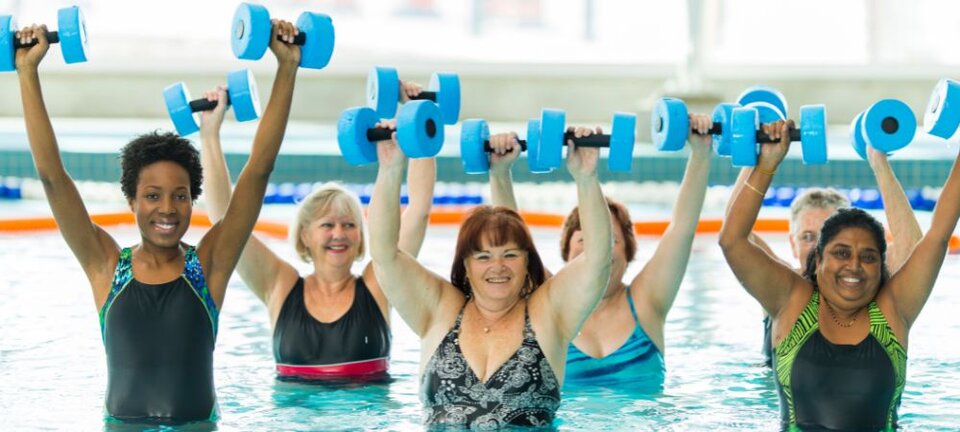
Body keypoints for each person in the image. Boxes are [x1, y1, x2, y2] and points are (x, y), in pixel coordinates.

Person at [15, 20, 300, 423]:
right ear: (131, 200)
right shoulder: (107, 267)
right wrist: (28, 71)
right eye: (152, 196)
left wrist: (287, 68)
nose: (167, 209)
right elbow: (51, 176)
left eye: (179, 196)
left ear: (191, 201)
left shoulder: (209, 267)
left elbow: (258, 171)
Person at [719, 120, 960, 430]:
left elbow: (937, 235)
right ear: (818, 259)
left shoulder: (892, 310)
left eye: (869, 256)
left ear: (881, 266)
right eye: (842, 253)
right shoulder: (792, 301)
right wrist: (766, 163)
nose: (854, 266)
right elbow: (732, 240)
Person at [368, 126, 612, 428]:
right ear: (466, 266)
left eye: (510, 255)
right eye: (483, 257)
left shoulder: (548, 313)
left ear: (527, 262)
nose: (498, 267)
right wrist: (390, 169)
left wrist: (586, 177)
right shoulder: (439, 309)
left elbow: (598, 261)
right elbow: (384, 254)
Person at [199, 84, 435, 380]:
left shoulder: (380, 284)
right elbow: (224, 219)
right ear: (304, 236)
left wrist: (417, 118)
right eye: (328, 225)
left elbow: (419, 212)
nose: (340, 234)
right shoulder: (279, 285)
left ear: (361, 236)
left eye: (349, 225)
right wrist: (209, 134)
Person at [486, 115, 713, 389]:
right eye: (584, 241)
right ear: (567, 255)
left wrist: (701, 154)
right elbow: (514, 242)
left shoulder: (647, 301)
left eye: (610, 241)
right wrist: (499, 174)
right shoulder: (550, 303)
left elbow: (682, 229)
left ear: (629, 252)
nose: (598, 252)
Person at [726, 145, 921, 367]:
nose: (816, 249)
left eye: (826, 239)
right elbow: (735, 233)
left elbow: (913, 250)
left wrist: (879, 161)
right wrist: (756, 156)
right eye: (808, 237)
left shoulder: (868, 287)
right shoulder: (778, 287)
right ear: (792, 243)